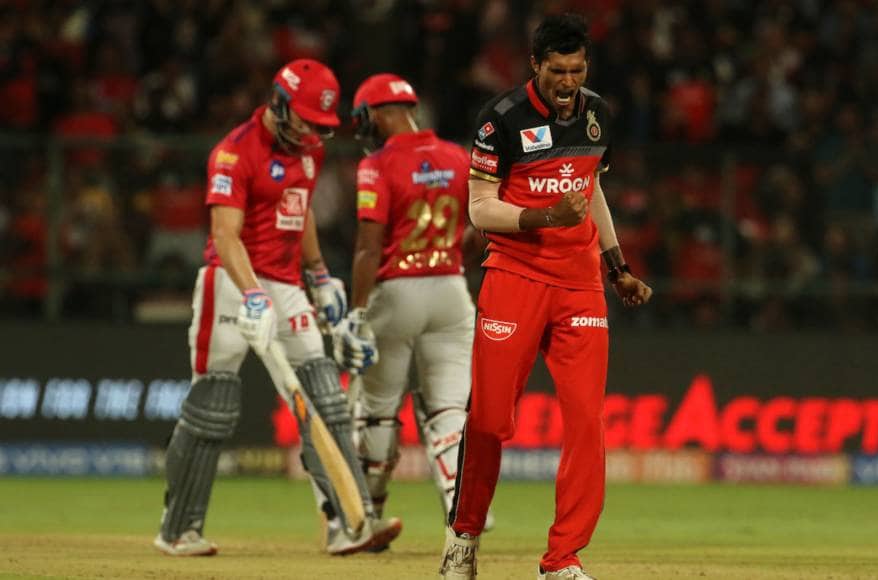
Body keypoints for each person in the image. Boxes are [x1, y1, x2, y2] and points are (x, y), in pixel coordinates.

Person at [153, 59, 401, 557]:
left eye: (320, 124)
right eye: (306, 119)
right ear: (279, 104)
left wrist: (319, 275)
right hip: (228, 280)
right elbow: (225, 236)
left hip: (287, 285)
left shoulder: (307, 150)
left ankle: (348, 524)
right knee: (212, 408)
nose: (313, 132)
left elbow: (299, 209)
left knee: (326, 400)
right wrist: (250, 293)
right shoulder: (233, 153)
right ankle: (178, 529)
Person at [438, 14, 652, 580]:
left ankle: (562, 558)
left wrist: (617, 266)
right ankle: (463, 535)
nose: (567, 81)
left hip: (580, 283)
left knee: (586, 422)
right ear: (535, 65)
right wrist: (542, 216)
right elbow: (479, 209)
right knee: (487, 420)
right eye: (557, 70)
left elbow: (592, 189)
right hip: (515, 275)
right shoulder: (500, 120)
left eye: (577, 70)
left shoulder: (597, 113)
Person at [331, 73, 477, 539]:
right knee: (450, 408)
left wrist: (355, 312)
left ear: (377, 113)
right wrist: (453, 258)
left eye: (364, 118)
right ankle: (465, 510)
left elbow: (367, 248)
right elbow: (484, 228)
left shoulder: (377, 165)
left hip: (396, 291)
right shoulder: (459, 157)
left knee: (376, 408)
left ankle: (367, 516)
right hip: (451, 289)